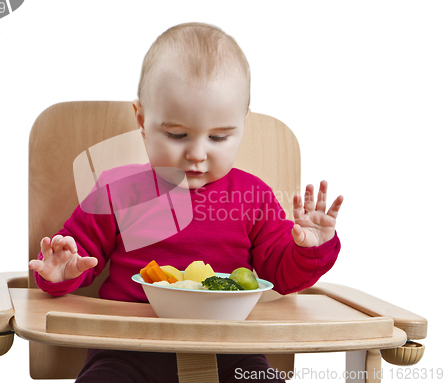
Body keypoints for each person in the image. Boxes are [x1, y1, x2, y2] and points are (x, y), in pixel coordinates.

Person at [29, 22, 343, 383]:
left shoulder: (253, 197)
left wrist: (311, 249)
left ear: (243, 125)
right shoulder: (120, 190)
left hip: (231, 349)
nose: (197, 154)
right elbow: (78, 257)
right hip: (126, 347)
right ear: (142, 121)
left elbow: (282, 276)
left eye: (219, 137)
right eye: (177, 134)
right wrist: (60, 270)